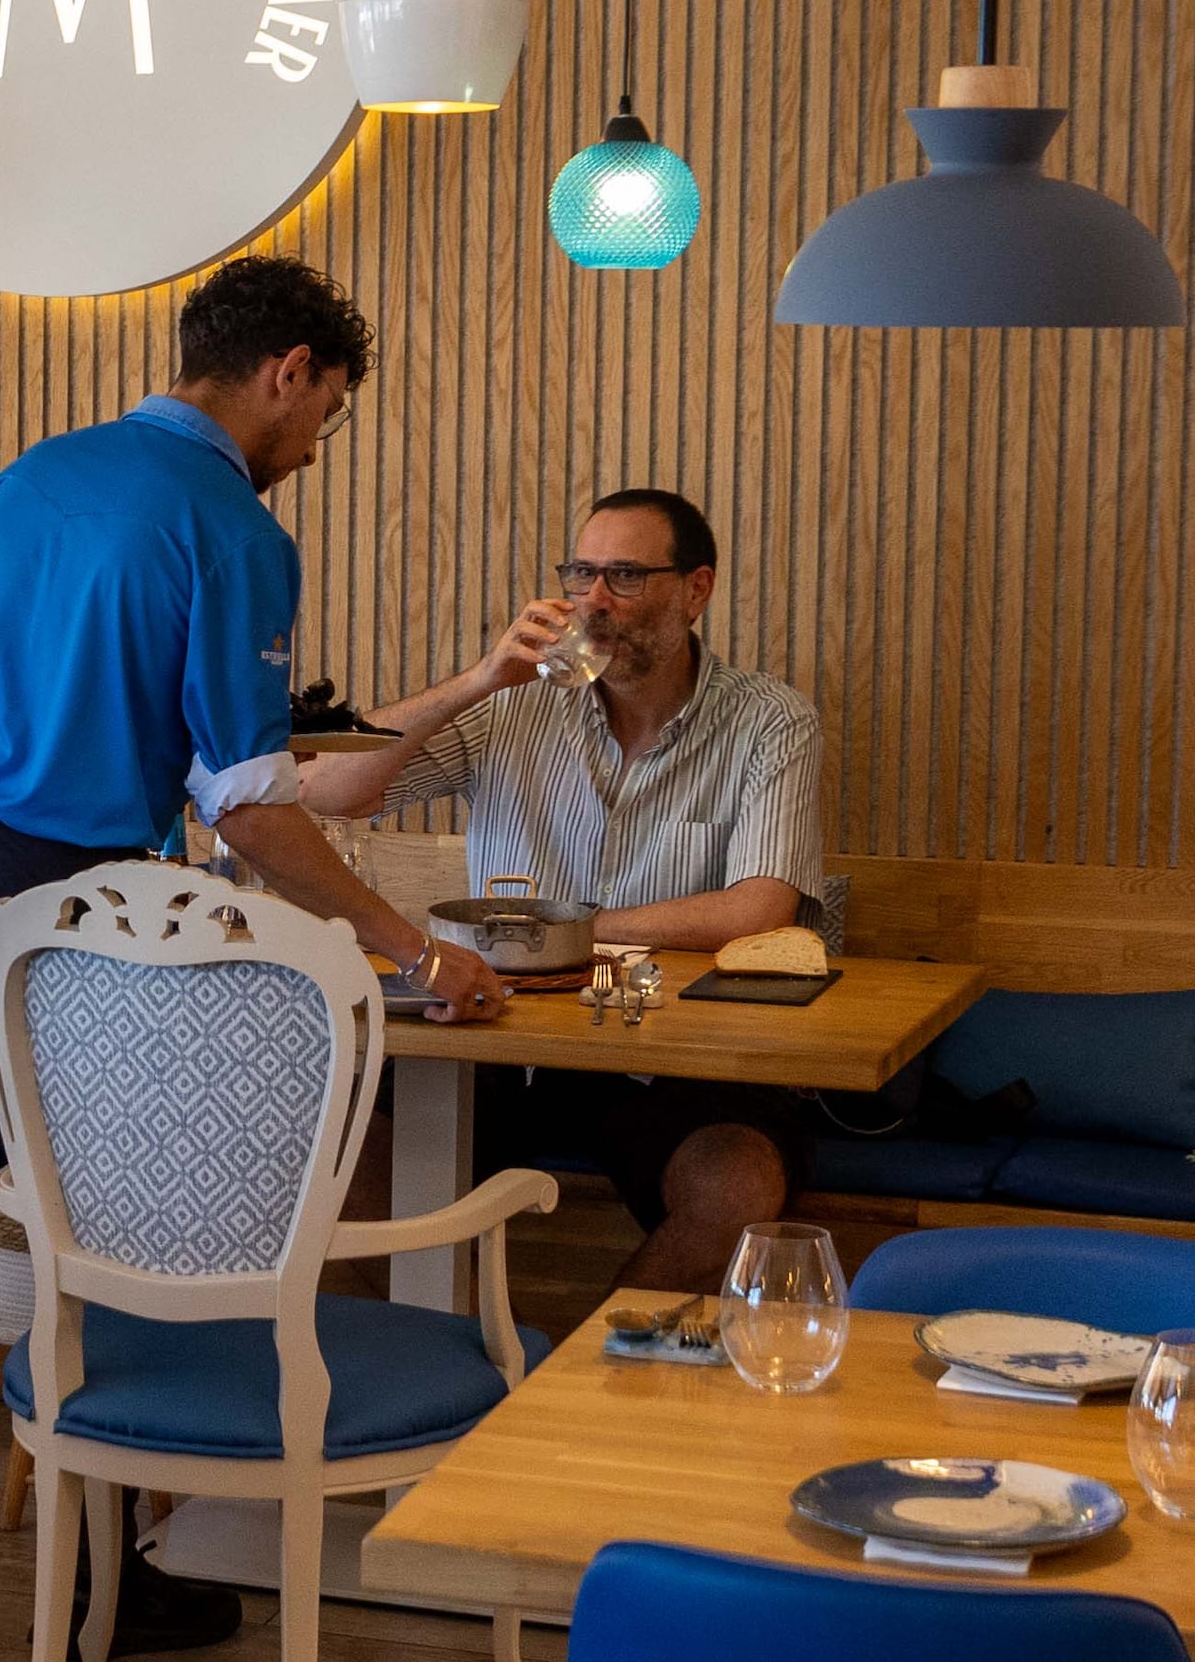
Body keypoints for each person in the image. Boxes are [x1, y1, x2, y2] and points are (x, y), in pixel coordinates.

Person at [0, 256, 494, 1662]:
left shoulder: (34, 471)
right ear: (286, 370)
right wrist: (417, 945)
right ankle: (107, 1584)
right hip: (78, 900)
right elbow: (250, 806)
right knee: (103, 1239)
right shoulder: (233, 531)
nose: (312, 450)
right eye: (325, 415)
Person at [298, 486, 828, 1292]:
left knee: (739, 1189)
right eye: (581, 574)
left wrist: (567, 933)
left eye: (624, 575)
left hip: (668, 1052)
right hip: (499, 1035)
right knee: (337, 1147)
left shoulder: (769, 720)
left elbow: (759, 908)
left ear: (697, 589)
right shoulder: (511, 706)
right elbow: (327, 788)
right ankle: (466, 1365)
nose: (593, 602)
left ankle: (593, 1386)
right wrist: (478, 680)